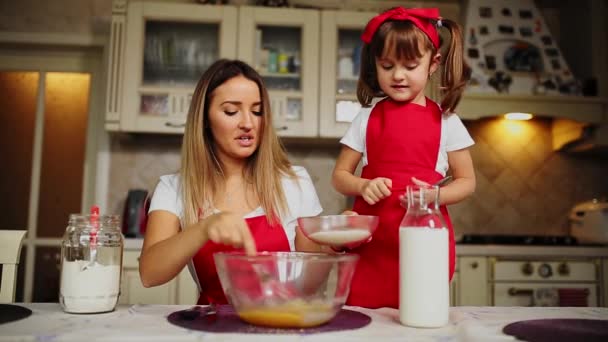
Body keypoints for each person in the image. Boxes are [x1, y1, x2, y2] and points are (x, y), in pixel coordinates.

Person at [139, 59, 323, 305]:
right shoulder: (174, 188)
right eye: (231, 111)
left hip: (282, 326)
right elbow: (149, 274)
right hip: (211, 330)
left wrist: (339, 244)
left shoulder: (294, 181)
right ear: (204, 118)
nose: (248, 123)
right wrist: (204, 228)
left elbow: (311, 280)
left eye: (257, 111)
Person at [331, 7, 476, 309]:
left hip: (424, 242)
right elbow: (339, 176)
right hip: (371, 247)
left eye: (410, 65)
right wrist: (361, 186)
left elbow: (467, 182)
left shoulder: (447, 121)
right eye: (387, 65)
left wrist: (436, 195)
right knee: (364, 320)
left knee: (420, 315)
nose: (398, 75)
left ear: (433, 64)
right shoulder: (366, 117)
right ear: (375, 64)